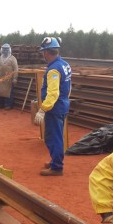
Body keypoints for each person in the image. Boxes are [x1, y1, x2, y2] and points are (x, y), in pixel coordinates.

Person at [33, 37, 72, 176]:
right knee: (57, 136)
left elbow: (53, 94)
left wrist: (42, 109)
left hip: (55, 108)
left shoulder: (53, 70)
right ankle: (55, 160)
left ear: (46, 52)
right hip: (63, 105)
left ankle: (57, 167)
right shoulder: (65, 64)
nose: (43, 54)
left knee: (53, 137)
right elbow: (68, 87)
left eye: (43, 52)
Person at [0, 43, 19, 110]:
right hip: (0, 77)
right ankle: (1, 104)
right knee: (0, 91)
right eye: (4, 49)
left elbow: (16, 69)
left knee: (9, 92)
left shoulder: (13, 58)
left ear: (9, 50)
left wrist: (15, 78)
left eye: (6, 49)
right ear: (2, 50)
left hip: (9, 78)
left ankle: (9, 105)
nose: (5, 51)